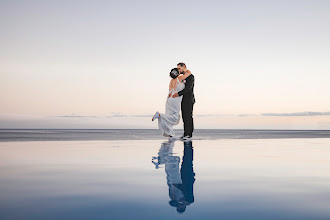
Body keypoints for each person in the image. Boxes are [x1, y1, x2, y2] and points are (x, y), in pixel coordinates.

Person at [152, 67, 191, 138]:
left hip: (169, 99)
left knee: (169, 115)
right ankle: (159, 114)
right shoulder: (180, 78)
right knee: (174, 117)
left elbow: (170, 91)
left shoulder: (171, 81)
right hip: (175, 99)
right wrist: (185, 69)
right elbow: (189, 73)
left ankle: (170, 133)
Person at [172, 63, 195, 139]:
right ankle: (185, 134)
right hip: (182, 99)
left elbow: (188, 88)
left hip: (189, 99)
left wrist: (178, 94)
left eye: (179, 68)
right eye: (177, 68)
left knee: (188, 116)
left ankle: (189, 134)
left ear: (184, 67)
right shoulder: (182, 77)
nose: (178, 70)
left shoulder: (190, 77)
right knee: (184, 117)